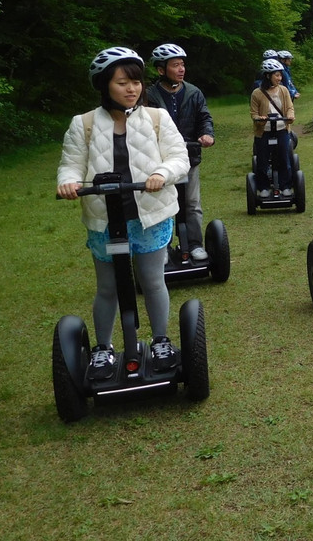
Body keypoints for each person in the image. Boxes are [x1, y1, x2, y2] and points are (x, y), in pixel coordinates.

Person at [56, 47, 190, 379]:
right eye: (121, 83)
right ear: (104, 86)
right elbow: (71, 165)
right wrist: (68, 182)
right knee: (108, 286)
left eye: (136, 82)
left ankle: (161, 339)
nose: (131, 89)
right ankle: (103, 348)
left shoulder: (157, 118)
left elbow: (178, 156)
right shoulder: (83, 124)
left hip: (149, 215)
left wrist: (161, 173)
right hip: (105, 219)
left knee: (153, 280)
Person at [145, 43, 215, 262]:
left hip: (189, 159)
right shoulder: (149, 96)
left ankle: (194, 244)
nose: (181, 69)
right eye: (175, 65)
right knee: (163, 205)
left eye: (182, 64)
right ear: (161, 70)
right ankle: (163, 247)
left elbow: (204, 117)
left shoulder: (193, 92)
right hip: (160, 163)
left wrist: (206, 134)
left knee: (192, 204)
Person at [250, 57, 295, 196]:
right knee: (262, 161)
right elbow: (253, 113)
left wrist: (290, 116)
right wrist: (259, 118)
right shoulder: (257, 93)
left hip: (282, 129)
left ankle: (285, 186)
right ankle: (263, 187)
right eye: (277, 75)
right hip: (264, 131)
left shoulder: (283, 90)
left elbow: (289, 107)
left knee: (284, 159)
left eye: (280, 75)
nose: (280, 78)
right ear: (268, 76)